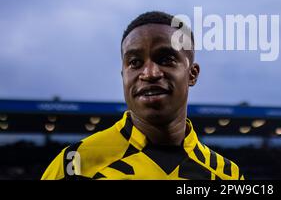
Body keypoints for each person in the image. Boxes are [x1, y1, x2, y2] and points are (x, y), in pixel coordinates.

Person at [42, 11, 244, 180]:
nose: (150, 73)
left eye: (166, 59)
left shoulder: (227, 175)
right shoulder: (75, 162)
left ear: (192, 74)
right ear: (124, 76)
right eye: (135, 63)